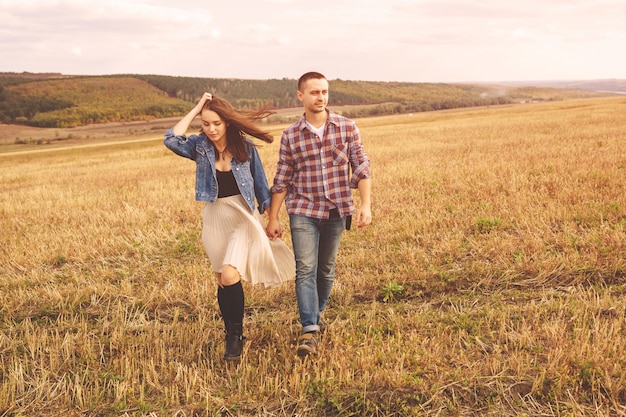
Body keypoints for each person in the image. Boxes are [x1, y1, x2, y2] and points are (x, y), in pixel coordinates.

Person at [164, 93, 295, 361]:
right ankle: (231, 332)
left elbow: (262, 188)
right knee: (222, 282)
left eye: (217, 123)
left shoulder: (246, 149)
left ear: (228, 123)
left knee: (229, 275)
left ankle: (234, 339)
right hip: (214, 216)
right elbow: (171, 139)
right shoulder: (200, 147)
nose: (211, 129)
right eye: (206, 124)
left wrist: (272, 218)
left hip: (243, 216)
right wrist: (198, 107)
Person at [266, 72, 372, 357]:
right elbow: (282, 179)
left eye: (324, 92)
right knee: (306, 269)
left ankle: (316, 313)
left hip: (337, 209)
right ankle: (309, 329)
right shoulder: (290, 135)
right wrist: (273, 217)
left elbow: (361, 167)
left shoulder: (347, 128)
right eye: (314, 92)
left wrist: (365, 205)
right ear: (300, 95)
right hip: (303, 210)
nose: (320, 97)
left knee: (326, 270)